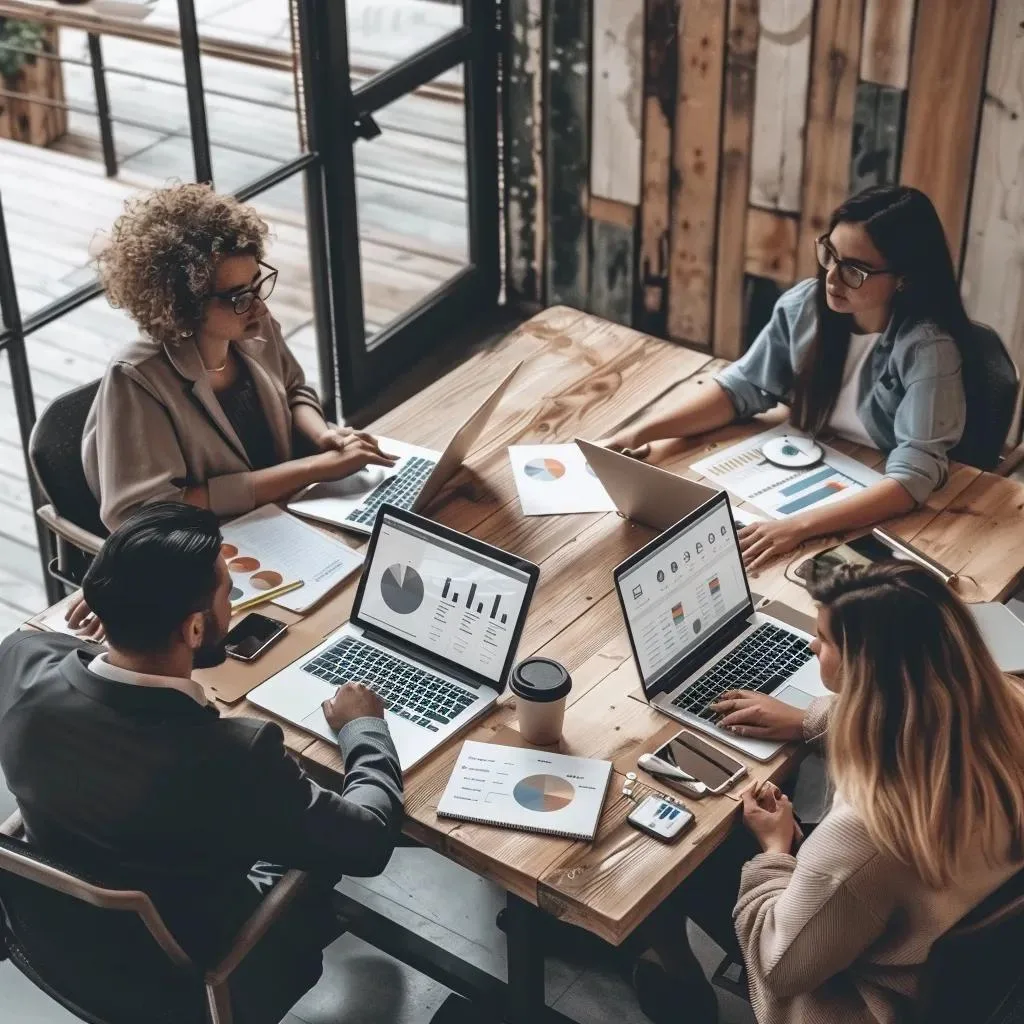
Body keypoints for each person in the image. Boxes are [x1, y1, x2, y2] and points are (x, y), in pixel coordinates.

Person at [0, 503, 404, 1019]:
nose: (233, 603)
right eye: (229, 593)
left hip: (64, 939)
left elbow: (51, 645)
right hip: (206, 967)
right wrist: (362, 726)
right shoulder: (232, 756)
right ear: (193, 630)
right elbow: (368, 840)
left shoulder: (19, 662)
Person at [632, 561, 1024, 1024]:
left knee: (679, 855)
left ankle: (680, 988)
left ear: (864, 667)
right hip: (954, 947)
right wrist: (808, 720)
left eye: (824, 639)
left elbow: (781, 967)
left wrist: (775, 852)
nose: (813, 645)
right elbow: (911, 713)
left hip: (861, 1003)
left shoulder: (867, 833)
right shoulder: (1004, 706)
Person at [604, 186, 968, 570]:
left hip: (883, 514)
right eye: (831, 254)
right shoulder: (805, 307)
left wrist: (796, 527)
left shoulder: (927, 349)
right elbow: (740, 388)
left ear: (903, 279)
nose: (832, 277)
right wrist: (640, 433)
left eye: (855, 270)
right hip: (809, 471)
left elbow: (912, 480)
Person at [82, 182, 396, 532]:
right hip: (219, 547)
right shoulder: (138, 379)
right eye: (238, 296)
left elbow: (294, 390)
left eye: (257, 284)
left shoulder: (253, 327)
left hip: (287, 515)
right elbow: (146, 511)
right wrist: (319, 468)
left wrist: (324, 437)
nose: (259, 305)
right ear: (184, 305)